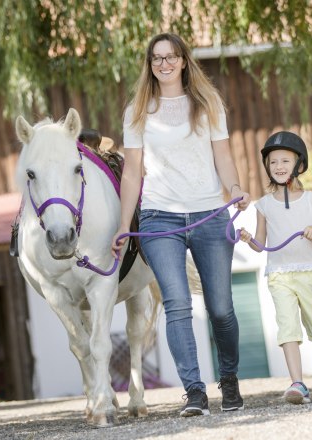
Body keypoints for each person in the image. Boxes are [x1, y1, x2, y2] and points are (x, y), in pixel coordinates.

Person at [111, 33, 250, 417]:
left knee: (221, 309)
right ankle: (194, 392)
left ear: (184, 61)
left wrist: (234, 187)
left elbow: (222, 155)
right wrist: (125, 224)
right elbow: (133, 173)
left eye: (171, 56)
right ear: (149, 65)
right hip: (159, 218)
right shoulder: (138, 110)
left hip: (209, 214)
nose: (164, 63)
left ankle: (230, 379)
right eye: (156, 58)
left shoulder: (207, 104)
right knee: (176, 303)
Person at [239, 131, 312, 404]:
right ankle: (297, 382)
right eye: (273, 162)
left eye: (285, 161)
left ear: (298, 164)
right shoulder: (264, 205)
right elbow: (261, 244)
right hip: (279, 275)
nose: (279, 167)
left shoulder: (310, 199)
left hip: (308, 272)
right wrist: (249, 240)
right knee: (287, 328)